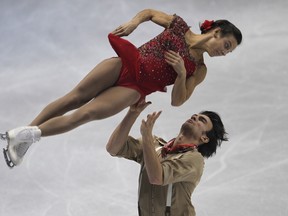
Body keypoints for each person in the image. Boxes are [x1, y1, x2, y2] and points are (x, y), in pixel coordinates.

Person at [1, 8, 241, 167]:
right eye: (227, 44)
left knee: (83, 114)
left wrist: (180, 74)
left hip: (135, 87)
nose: (225, 52)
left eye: (229, 51)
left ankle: (26, 135)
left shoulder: (199, 69)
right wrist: (133, 23)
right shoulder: (179, 27)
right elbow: (149, 13)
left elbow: (178, 101)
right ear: (216, 32)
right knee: (73, 98)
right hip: (125, 62)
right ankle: (24, 138)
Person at [106, 99, 228, 216]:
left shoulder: (194, 160)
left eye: (201, 120)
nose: (195, 117)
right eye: (194, 116)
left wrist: (147, 136)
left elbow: (157, 177)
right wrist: (132, 114)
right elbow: (113, 148)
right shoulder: (155, 145)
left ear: (205, 138)